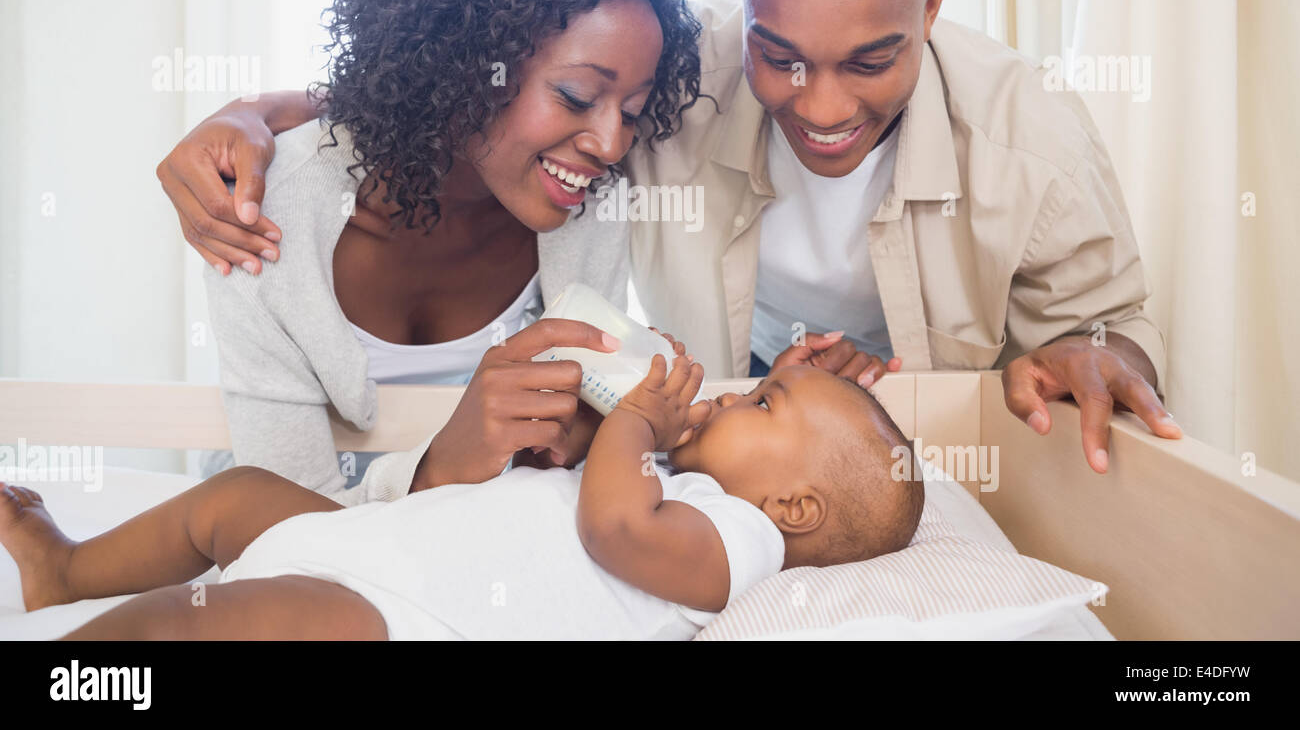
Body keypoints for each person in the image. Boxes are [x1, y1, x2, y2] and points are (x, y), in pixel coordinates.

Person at [158, 0, 1181, 475]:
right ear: (745, 4)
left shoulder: (1030, 131)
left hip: (859, 426)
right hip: (725, 395)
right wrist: (256, 113)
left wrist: (1110, 353)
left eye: (871, 60)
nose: (821, 107)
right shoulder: (680, 76)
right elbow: (456, 84)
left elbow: (1110, 330)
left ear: (934, 4)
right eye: (782, 57)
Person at [167, 0, 705, 504]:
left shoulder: (589, 202)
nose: (612, 144)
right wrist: (436, 469)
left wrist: (595, 426)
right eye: (577, 96)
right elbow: (277, 540)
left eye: (633, 111)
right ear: (471, 64)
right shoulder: (263, 215)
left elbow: (568, 469)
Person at [0, 360, 923, 640]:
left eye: (764, 404)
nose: (732, 393)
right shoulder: (682, 483)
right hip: (374, 542)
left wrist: (637, 423)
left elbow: (611, 528)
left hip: (400, 613)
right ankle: (66, 568)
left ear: (796, 509)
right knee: (232, 495)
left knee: (191, 627)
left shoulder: (738, 536)